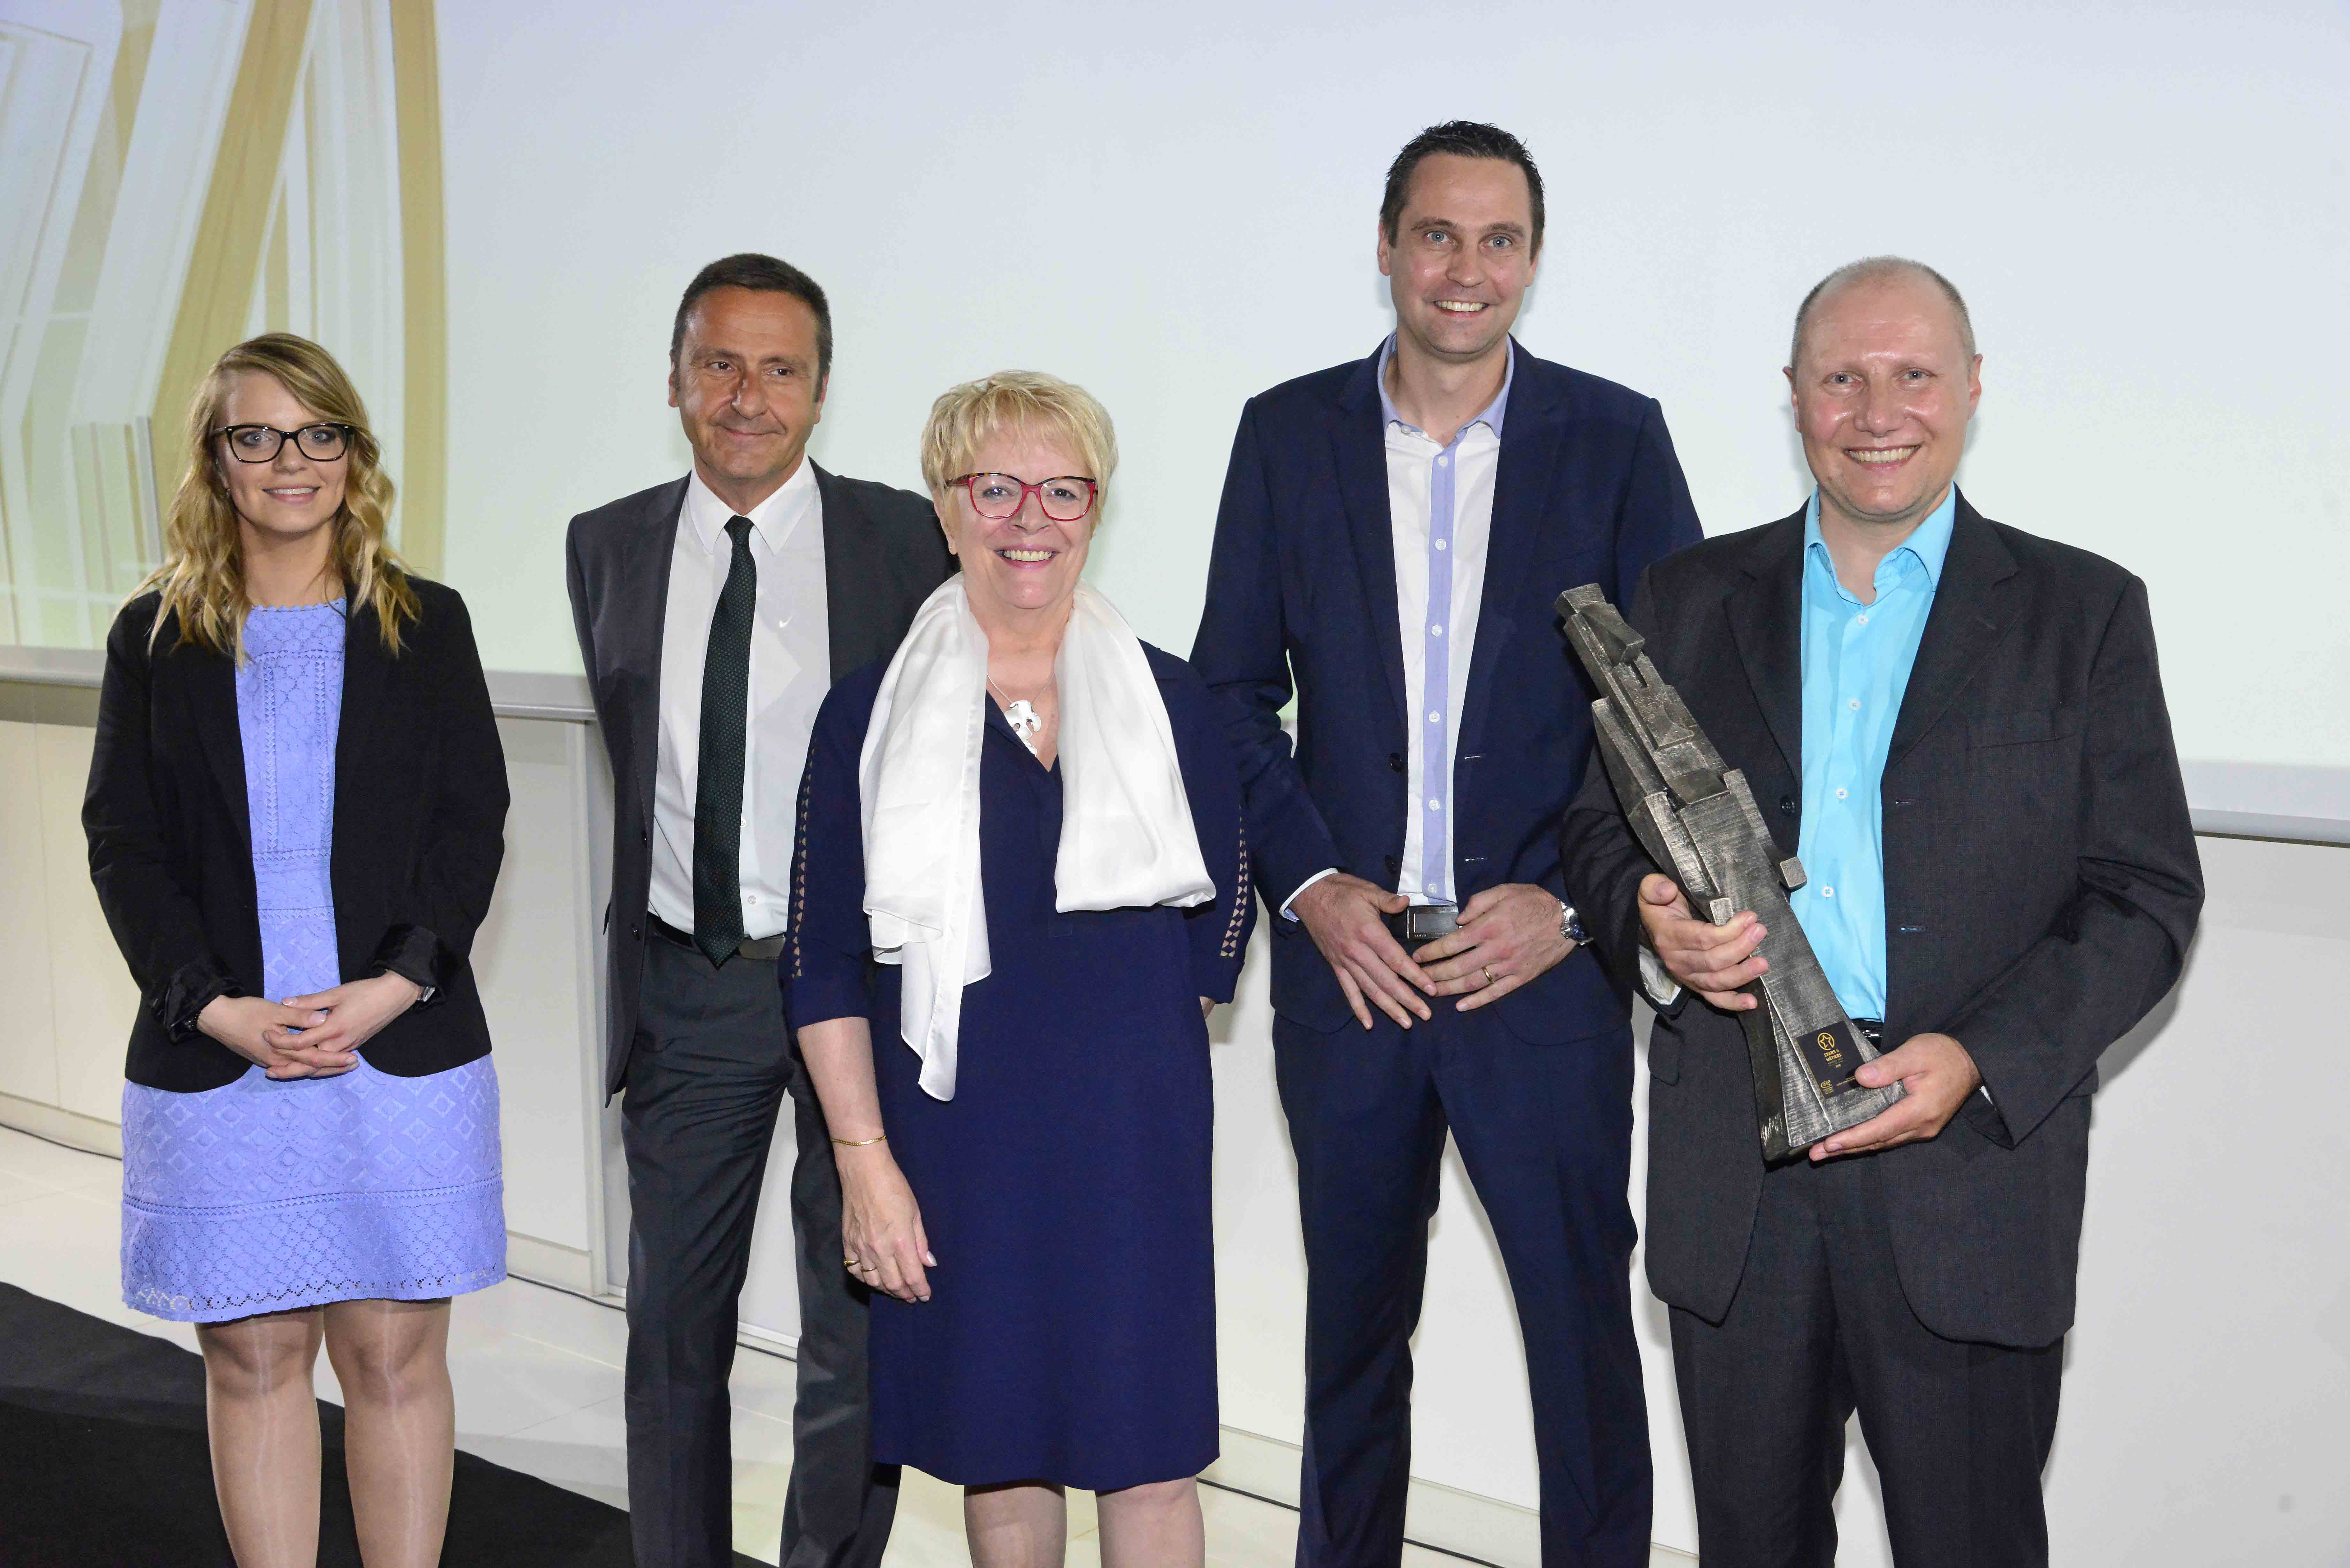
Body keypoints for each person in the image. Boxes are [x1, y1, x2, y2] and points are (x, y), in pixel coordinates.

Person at [1560, 257, 2204, 1566]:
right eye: (1841, 378)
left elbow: (2145, 895)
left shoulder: (2083, 612)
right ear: (1793, 395)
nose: (1876, 412)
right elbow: (1594, 831)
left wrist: (1981, 1058)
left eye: (1913, 374)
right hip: (1739, 1186)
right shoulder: (1684, 597)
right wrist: (1649, 923)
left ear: (1971, 388)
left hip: (1965, 1176)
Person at [1188, 121, 1702, 1564]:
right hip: (1351, 979)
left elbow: (1667, 715)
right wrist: (1310, 887)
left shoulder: (1616, 438)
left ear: (1532, 260)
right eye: (1436, 235)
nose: (1465, 269)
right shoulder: (1285, 433)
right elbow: (1229, 690)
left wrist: (1576, 907)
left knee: (1581, 1347)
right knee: (1351, 1347)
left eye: (1498, 240)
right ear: (1386, 246)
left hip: (1540, 977)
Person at [788, 371, 1254, 1568]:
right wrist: (866, 1167)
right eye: (995, 489)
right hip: (957, 1140)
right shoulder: (867, 716)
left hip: (1132, 1141)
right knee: (1000, 1447)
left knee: (1151, 1455)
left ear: (1097, 509)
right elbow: (824, 963)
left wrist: (1130, 1042)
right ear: (946, 511)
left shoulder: (1172, 699)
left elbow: (1221, 912)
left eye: (1063, 490)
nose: (1029, 520)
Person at [85, 333, 509, 1568]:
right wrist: (216, 1008)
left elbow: (470, 822)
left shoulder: (427, 625)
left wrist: (395, 985)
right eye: (256, 435)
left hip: (396, 1049)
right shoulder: (152, 636)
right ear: (215, 460)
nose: (290, 460)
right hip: (222, 1056)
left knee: (392, 1356)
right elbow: (125, 845)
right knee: (255, 1357)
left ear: (354, 456)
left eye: (318, 432)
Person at [565, 253, 951, 1568]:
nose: (748, 396)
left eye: (781, 369)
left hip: (866, 979)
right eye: (719, 363)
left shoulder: (906, 539)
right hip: (692, 982)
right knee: (673, 1333)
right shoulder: (606, 544)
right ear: (675, 380)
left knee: (860, 1333)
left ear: (822, 391)